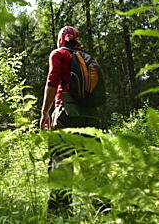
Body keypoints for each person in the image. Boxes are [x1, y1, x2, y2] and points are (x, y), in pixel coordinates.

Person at [39, 26, 101, 211]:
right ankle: (104, 210)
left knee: (61, 164)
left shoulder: (58, 54)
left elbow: (52, 81)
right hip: (91, 116)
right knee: (93, 166)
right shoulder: (89, 58)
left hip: (66, 112)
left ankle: (60, 211)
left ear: (61, 39)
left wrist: (45, 113)